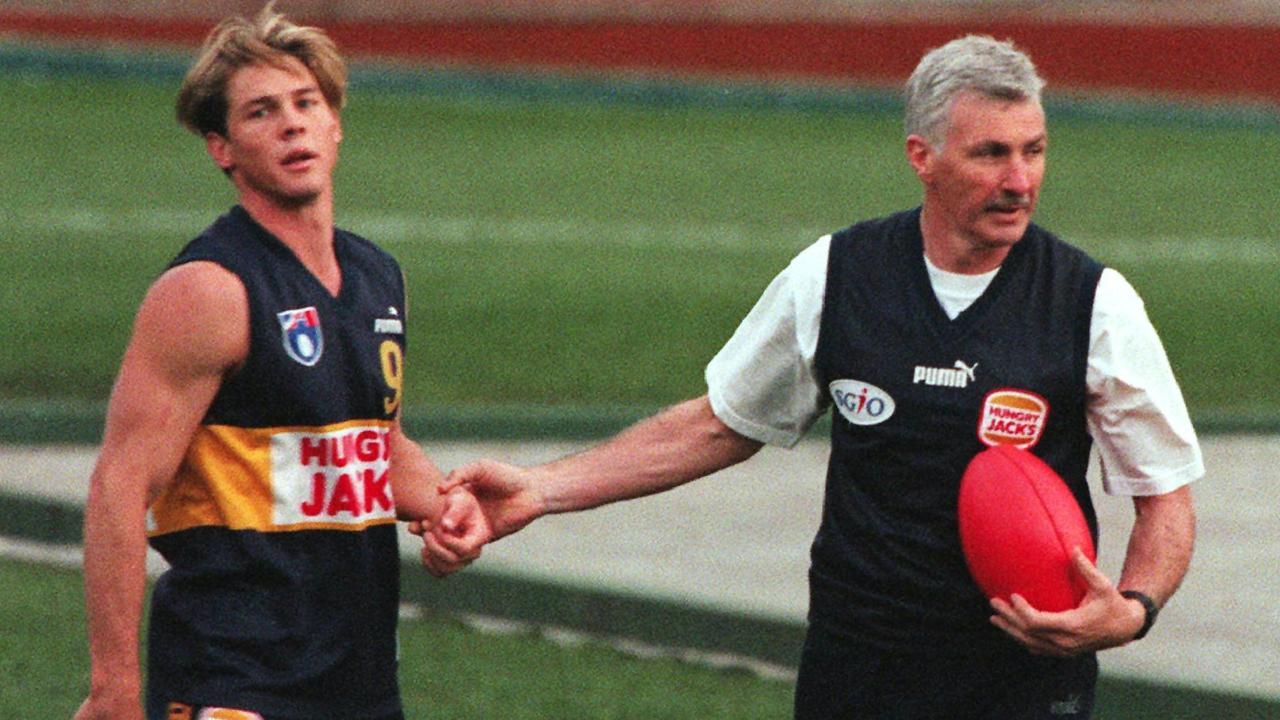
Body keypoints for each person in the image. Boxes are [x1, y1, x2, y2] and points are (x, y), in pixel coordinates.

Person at [418, 35, 1201, 719]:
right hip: (860, 670)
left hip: (1023, 681)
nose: (1019, 179)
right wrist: (542, 488)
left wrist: (1131, 610)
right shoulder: (835, 275)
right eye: (990, 153)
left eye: (1033, 150)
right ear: (921, 157)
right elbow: (720, 424)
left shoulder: (1094, 303)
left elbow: (1164, 490)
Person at [75, 5, 483, 720]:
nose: (292, 123)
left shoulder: (379, 276)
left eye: (307, 103)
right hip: (232, 679)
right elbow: (120, 484)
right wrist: (113, 686)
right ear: (222, 148)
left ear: (336, 124)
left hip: (358, 680)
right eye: (261, 112)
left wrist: (446, 507)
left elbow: (368, 444)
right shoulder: (208, 290)